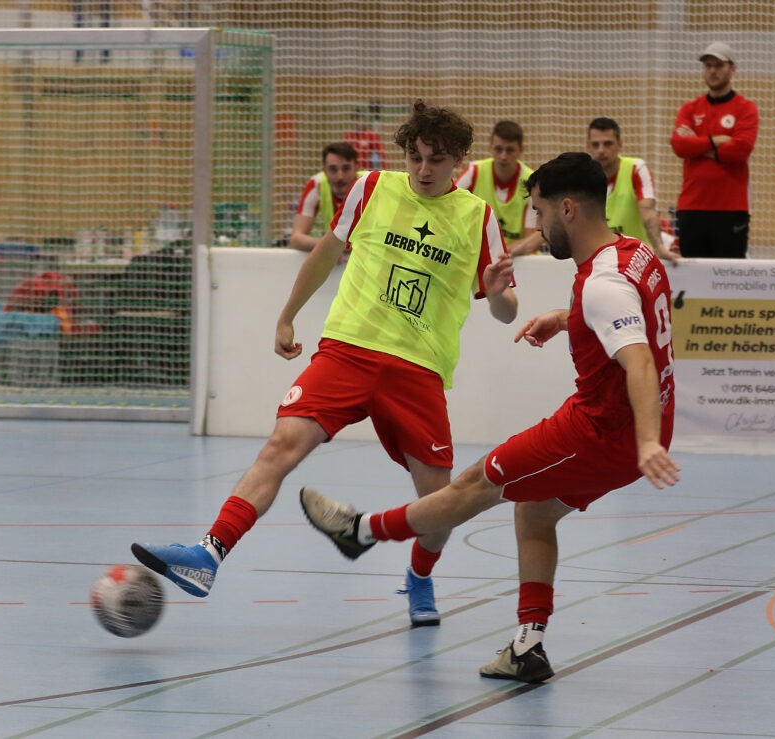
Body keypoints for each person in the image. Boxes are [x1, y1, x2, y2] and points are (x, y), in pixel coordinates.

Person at [132, 100, 519, 628]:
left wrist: (497, 293)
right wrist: (287, 315)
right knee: (280, 446)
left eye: (436, 160)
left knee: (439, 501)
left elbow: (505, 310)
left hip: (418, 367)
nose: (424, 169)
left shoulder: (478, 217)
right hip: (347, 350)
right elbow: (322, 254)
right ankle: (209, 554)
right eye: (415, 157)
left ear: (459, 161)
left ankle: (420, 576)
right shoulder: (371, 188)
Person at [299, 152, 680, 683]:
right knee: (534, 512)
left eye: (540, 212)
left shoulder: (601, 283)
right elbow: (632, 318)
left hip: (602, 431)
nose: (537, 227)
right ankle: (528, 646)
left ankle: (361, 531)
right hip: (635, 425)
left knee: (479, 483)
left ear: (568, 209)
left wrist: (645, 442)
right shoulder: (634, 253)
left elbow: (637, 359)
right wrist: (567, 320)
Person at [670, 41, 759, 258]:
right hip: (691, 208)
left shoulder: (746, 108)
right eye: (708, 65)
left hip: (730, 209)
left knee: (729, 275)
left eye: (719, 65)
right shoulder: (690, 109)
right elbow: (679, 145)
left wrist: (698, 144)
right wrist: (715, 140)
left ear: (732, 68)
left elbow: (740, 149)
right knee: (692, 273)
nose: (712, 71)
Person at [587, 117, 678, 264]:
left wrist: (659, 247)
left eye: (608, 144)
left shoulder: (636, 169)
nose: (601, 150)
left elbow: (648, 211)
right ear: (588, 146)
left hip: (637, 259)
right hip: (599, 260)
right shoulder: (582, 177)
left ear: (620, 144)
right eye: (595, 145)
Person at [456, 120, 545, 257]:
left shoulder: (531, 182)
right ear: (490, 147)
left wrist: (502, 253)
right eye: (498, 149)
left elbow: (532, 237)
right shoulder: (474, 172)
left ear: (521, 149)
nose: (503, 156)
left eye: (510, 150)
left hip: (518, 258)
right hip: (478, 254)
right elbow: (448, 206)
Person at [290, 142, 363, 253]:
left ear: (356, 168)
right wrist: (329, 248)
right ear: (324, 170)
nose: (340, 176)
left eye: (346, 169)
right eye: (333, 169)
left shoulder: (370, 186)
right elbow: (296, 239)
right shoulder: (316, 185)